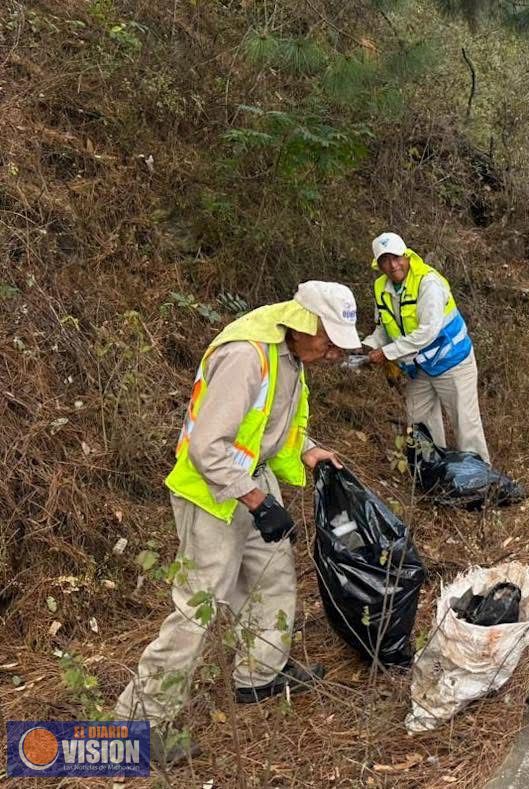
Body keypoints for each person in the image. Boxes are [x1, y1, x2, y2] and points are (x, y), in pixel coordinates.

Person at [115, 281, 361, 765]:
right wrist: (256, 500)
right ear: (304, 321)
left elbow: (274, 423)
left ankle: (258, 673)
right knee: (199, 608)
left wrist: (308, 451)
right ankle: (135, 727)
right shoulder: (247, 356)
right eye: (330, 341)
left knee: (273, 576)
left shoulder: (292, 355)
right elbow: (209, 447)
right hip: (212, 493)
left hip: (251, 480)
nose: (334, 352)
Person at [364, 232, 490, 462]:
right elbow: (385, 327)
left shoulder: (427, 281)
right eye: (385, 260)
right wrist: (368, 347)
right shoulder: (381, 287)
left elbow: (427, 332)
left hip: (452, 362)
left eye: (396, 258)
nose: (392, 265)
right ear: (378, 264)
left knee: (465, 424)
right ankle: (435, 477)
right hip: (417, 367)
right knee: (420, 424)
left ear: (406, 255)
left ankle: (481, 484)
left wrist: (387, 353)